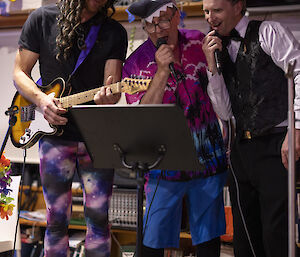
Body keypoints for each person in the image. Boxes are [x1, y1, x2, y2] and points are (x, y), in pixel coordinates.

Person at [12, 0, 128, 256]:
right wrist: (41, 100)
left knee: (99, 220)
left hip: (96, 137)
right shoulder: (41, 19)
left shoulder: (113, 32)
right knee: (55, 221)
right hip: (54, 136)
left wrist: (109, 96)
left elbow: (112, 90)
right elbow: (20, 72)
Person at [123, 0, 228, 256]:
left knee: (208, 243)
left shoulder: (198, 42)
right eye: (150, 24)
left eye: (164, 20)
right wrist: (161, 71)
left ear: (177, 15)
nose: (158, 29)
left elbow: (223, 94)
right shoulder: (135, 63)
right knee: (153, 242)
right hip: (162, 161)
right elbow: (141, 121)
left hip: (206, 155)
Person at [201, 0, 300, 256]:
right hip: (241, 150)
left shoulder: (269, 31)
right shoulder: (216, 47)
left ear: (237, 6)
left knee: (277, 233)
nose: (210, 17)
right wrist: (212, 67)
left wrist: (296, 128)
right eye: (206, 11)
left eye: (217, 10)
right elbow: (224, 111)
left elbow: (299, 72)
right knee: (244, 237)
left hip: (276, 144)